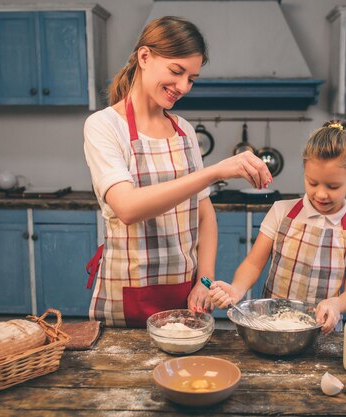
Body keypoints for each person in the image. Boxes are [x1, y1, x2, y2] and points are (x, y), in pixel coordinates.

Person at [83, 16, 272, 327]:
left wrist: (205, 279)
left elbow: (204, 213)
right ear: (145, 57)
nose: (183, 87)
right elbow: (127, 207)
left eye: (192, 78)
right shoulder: (104, 125)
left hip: (184, 291)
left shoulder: (183, 131)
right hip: (127, 293)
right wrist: (214, 171)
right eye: (176, 71)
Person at [209, 120, 346, 334]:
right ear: (304, 170)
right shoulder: (281, 211)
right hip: (271, 325)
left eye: (333, 186)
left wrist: (336, 304)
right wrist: (236, 289)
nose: (321, 194)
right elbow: (253, 264)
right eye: (312, 183)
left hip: (321, 331)